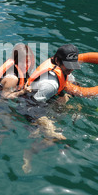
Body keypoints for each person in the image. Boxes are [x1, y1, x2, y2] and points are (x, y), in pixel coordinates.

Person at [20, 44, 82, 173]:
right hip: (32, 106)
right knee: (57, 136)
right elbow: (32, 104)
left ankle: (40, 144)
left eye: (73, 66)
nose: (71, 70)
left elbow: (68, 82)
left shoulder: (60, 68)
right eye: (68, 66)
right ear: (58, 61)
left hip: (45, 99)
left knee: (77, 108)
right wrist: (38, 123)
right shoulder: (50, 84)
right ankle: (29, 152)